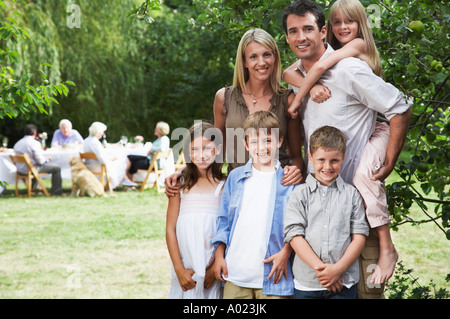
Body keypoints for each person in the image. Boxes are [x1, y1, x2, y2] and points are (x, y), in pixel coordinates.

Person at [282, 0, 412, 298]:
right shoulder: (294, 82)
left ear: (322, 31)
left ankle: (387, 247)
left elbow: (400, 108)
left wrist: (389, 160)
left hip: (360, 222)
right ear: (287, 38)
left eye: (308, 29)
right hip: (315, 224)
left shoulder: (350, 69)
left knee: (367, 294)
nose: (301, 37)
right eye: (293, 31)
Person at [164, 28, 305, 197]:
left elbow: (296, 156)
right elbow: (215, 150)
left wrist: (295, 169)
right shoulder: (224, 98)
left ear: (274, 57)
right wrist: (184, 171)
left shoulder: (287, 100)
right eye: (253, 56)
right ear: (244, 61)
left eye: (267, 54)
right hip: (238, 190)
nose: (262, 62)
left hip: (276, 189)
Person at [212, 111, 295, 299]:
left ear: (279, 141)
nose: (262, 147)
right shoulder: (235, 177)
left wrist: (285, 253)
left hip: (274, 275)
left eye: (268, 140)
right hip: (235, 273)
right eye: (255, 142)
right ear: (246, 144)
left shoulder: (289, 181)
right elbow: (223, 220)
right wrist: (219, 256)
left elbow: (298, 226)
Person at [284, 125, 369, 299]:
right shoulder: (300, 194)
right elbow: (294, 235)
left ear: (343, 158)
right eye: (321, 160)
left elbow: (359, 236)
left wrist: (337, 270)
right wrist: (323, 272)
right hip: (307, 283)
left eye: (334, 161)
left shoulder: (352, 194)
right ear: (310, 157)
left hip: (343, 283)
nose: (327, 167)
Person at [166, 122, 226, 299]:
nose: (201, 155)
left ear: (219, 149)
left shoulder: (225, 186)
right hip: (185, 268)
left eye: (207, 148)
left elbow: (227, 229)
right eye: (194, 149)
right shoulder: (180, 186)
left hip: (212, 271)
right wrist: (178, 269)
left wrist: (214, 267)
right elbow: (170, 228)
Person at [83, 121, 137, 189]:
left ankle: (124, 180)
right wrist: (112, 158)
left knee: (118, 161)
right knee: (123, 161)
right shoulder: (95, 142)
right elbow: (102, 159)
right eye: (102, 132)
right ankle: (116, 183)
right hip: (98, 167)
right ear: (99, 132)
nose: (102, 134)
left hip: (89, 166)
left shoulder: (86, 140)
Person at [13, 124, 63, 195]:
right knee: (56, 168)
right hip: (31, 170)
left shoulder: (17, 143)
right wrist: (47, 159)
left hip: (20, 170)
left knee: (34, 165)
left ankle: (35, 188)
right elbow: (40, 161)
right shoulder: (34, 143)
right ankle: (56, 191)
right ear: (35, 133)